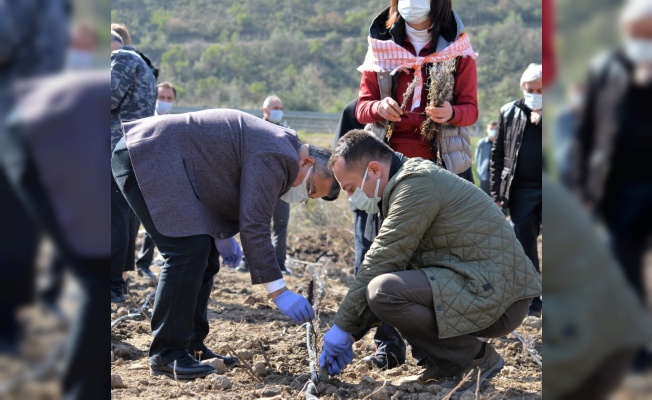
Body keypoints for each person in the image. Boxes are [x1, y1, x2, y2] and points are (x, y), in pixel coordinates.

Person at [111, 109, 340, 379]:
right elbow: (255, 224)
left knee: (205, 253)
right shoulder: (279, 155)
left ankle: (192, 345)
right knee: (187, 252)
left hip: (171, 164)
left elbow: (219, 176)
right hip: (146, 155)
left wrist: (220, 234)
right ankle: (167, 354)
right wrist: (279, 292)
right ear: (307, 162)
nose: (304, 196)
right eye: (311, 188)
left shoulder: (281, 145)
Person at [320, 130, 541, 392]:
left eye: (352, 188)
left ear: (375, 170)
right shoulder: (406, 184)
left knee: (384, 291)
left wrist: (342, 328)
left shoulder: (416, 185)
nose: (352, 197)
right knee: (391, 288)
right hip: (480, 285)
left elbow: (382, 260)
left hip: (498, 298)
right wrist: (352, 333)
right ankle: (447, 364)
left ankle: (476, 358)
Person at [574, 0, 652, 371]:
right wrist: (584, 190)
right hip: (620, 187)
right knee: (625, 266)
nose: (641, 40)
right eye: (635, 33)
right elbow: (588, 133)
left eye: (647, 34)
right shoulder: (605, 70)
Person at [356, 0, 478, 184]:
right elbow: (362, 109)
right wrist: (379, 108)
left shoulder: (458, 49)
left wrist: (452, 113)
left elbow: (471, 111)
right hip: (389, 165)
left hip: (443, 166)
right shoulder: (380, 46)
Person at [332, 98, 407, 370]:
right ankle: (387, 343)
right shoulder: (356, 110)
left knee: (396, 272)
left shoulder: (427, 104)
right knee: (368, 267)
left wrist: (344, 330)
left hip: (404, 200)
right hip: (369, 204)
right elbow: (339, 160)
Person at [489, 63, 543, 317]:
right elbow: (497, 155)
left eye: (541, 89)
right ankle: (533, 298)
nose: (535, 93)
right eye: (530, 89)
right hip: (520, 189)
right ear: (522, 88)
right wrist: (496, 195)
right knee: (524, 242)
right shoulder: (509, 112)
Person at [111, 29, 157, 302]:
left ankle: (113, 284)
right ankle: (120, 281)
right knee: (124, 220)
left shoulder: (122, 59)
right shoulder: (142, 64)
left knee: (113, 219)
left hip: (115, 148)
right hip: (133, 149)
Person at [236, 95, 293, 275]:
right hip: (259, 186)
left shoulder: (288, 132)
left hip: (282, 187)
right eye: (275, 107)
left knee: (281, 224)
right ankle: (247, 262)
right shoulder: (255, 129)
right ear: (265, 110)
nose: (278, 110)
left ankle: (279, 263)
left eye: (280, 107)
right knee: (255, 223)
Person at [134, 81, 179, 283]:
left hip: (162, 180)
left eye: (169, 98)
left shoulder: (176, 125)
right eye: (162, 97)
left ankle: (143, 263)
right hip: (136, 177)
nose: (165, 102)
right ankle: (121, 268)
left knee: (156, 222)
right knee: (130, 224)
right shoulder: (140, 119)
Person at [474, 121, 497, 195]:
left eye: (495, 129)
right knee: (484, 198)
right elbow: (477, 158)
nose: (493, 131)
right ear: (487, 130)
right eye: (491, 129)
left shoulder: (500, 143)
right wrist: (480, 171)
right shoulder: (481, 143)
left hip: (497, 177)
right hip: (484, 176)